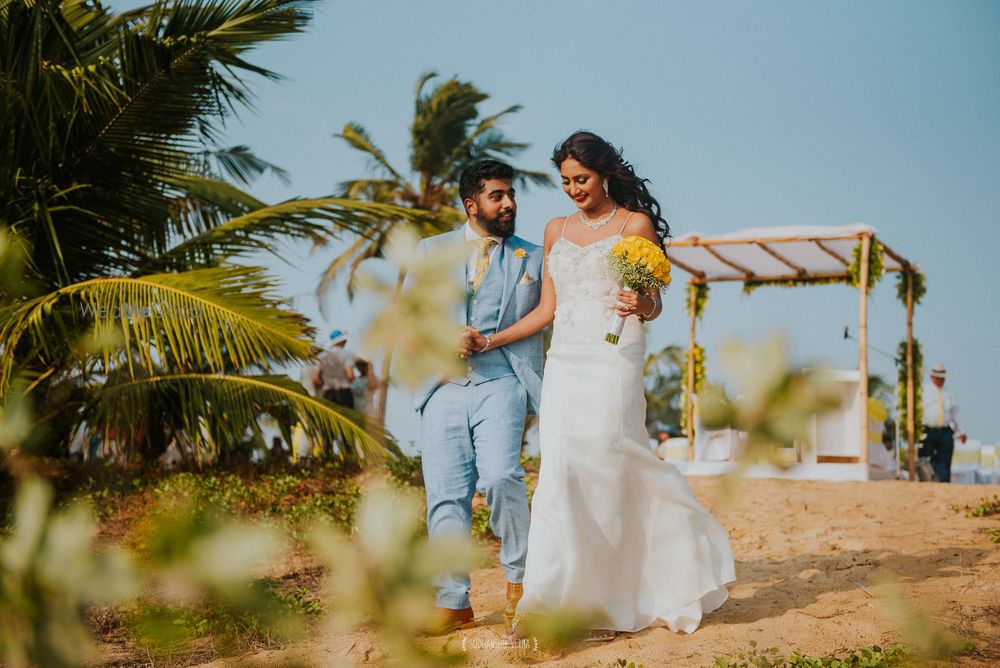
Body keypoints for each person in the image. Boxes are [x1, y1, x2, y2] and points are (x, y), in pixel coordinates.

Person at [468, 131, 735, 641]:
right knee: (562, 472)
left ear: (605, 173)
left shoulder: (636, 224)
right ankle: (551, 602)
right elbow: (547, 310)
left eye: (582, 179)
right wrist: (491, 340)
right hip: (566, 363)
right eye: (566, 181)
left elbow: (653, 303)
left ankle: (614, 598)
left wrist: (642, 306)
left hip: (615, 359)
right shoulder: (555, 229)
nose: (573, 190)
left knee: (611, 464)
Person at [412, 159, 544, 635]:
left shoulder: (535, 256)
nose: (509, 204)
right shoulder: (430, 252)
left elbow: (551, 314)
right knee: (445, 496)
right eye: (497, 196)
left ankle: (524, 583)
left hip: (503, 379)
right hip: (442, 384)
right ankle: (453, 602)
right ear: (472, 205)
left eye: (511, 195)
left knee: (502, 475)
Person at [920, 363, 966, 483]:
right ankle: (928, 482)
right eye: (937, 377)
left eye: (941, 378)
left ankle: (944, 484)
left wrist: (961, 431)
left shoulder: (948, 394)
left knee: (944, 460)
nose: (939, 380)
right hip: (927, 430)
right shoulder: (923, 391)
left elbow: (955, 414)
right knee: (926, 458)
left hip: (945, 431)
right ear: (932, 377)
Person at [312, 329, 356, 409]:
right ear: (342, 341)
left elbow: (315, 379)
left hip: (328, 393)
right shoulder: (347, 354)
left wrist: (325, 384)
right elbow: (350, 376)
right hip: (344, 393)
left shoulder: (321, 356)